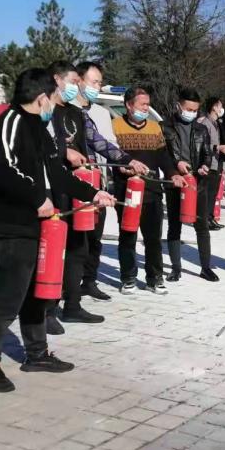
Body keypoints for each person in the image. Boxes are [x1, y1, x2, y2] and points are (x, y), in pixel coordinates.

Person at [0, 67, 115, 393]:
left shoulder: (40, 128)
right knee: (8, 296)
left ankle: (37, 354)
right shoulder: (9, 124)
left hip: (38, 225)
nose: (55, 100)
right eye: (53, 95)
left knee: (36, 293)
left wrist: (93, 193)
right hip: (11, 226)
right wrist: (37, 197)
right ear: (41, 98)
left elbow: (58, 174)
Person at [76, 61, 149, 302]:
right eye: (94, 82)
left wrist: (124, 163)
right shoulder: (66, 111)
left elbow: (106, 144)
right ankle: (69, 287)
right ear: (78, 80)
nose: (97, 86)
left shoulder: (99, 113)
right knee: (76, 239)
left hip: (98, 182)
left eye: (99, 82)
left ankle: (89, 281)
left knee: (95, 237)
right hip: (73, 183)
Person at [111, 85, 187, 294]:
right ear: (129, 105)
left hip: (152, 190)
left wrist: (173, 174)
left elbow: (164, 157)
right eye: (142, 104)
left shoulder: (154, 128)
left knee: (153, 238)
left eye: (148, 104)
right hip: (127, 192)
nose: (146, 108)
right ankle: (128, 278)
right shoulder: (115, 126)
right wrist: (122, 168)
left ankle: (155, 278)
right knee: (127, 236)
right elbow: (110, 154)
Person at [47, 61, 103, 332]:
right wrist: (63, 151)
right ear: (57, 80)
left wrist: (127, 160)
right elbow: (40, 144)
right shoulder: (44, 110)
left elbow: (95, 142)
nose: (76, 86)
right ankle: (46, 310)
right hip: (51, 188)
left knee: (78, 247)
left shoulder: (76, 114)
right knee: (52, 249)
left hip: (75, 188)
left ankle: (72, 305)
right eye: (73, 81)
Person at [164, 88, 218, 282]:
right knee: (174, 225)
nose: (192, 113)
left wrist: (205, 165)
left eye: (195, 110)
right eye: (188, 109)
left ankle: (206, 267)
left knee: (201, 226)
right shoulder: (165, 127)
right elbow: (163, 155)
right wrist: (175, 165)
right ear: (179, 106)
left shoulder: (201, 129)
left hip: (197, 183)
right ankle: (175, 268)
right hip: (175, 182)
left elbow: (207, 153)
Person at [198, 96, 225, 231]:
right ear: (214, 107)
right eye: (220, 106)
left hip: (217, 162)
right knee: (207, 194)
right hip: (208, 164)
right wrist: (218, 147)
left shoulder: (217, 123)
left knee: (213, 193)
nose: (222, 109)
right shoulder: (205, 123)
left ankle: (210, 218)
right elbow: (201, 144)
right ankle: (204, 219)